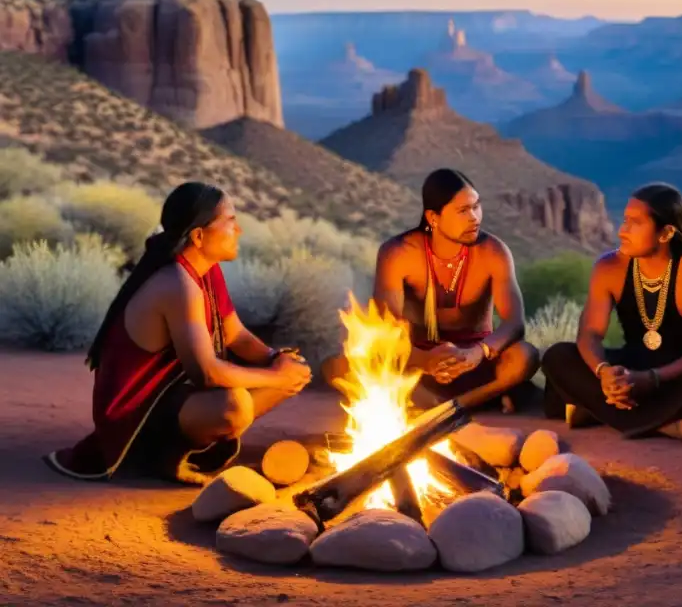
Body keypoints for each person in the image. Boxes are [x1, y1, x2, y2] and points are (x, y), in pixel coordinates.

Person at [45, 182, 312, 485]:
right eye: (231, 222)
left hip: (173, 400)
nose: (239, 232)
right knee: (234, 407)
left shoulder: (205, 269)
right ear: (199, 236)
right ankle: (166, 456)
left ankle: (190, 444)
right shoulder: (177, 283)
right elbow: (207, 374)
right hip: (137, 418)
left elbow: (235, 334)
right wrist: (276, 376)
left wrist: (276, 358)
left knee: (295, 371)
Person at [540, 183, 682, 442]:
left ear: (666, 233)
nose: (621, 231)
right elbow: (590, 333)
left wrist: (651, 380)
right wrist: (604, 373)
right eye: (624, 220)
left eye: (635, 223)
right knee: (558, 355)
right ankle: (669, 425)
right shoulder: (609, 268)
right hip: (637, 365)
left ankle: (599, 412)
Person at [323, 168, 539, 412]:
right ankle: (475, 401)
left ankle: (450, 407)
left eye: (477, 206)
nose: (475, 218)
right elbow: (385, 329)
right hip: (419, 363)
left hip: (475, 362)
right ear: (433, 218)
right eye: (463, 211)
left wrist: (477, 353)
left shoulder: (494, 252)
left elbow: (514, 323)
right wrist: (426, 360)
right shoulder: (398, 253)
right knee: (340, 366)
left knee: (525, 355)